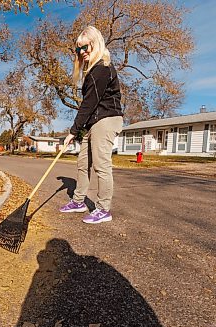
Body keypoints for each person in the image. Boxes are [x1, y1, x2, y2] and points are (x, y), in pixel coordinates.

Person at [60, 26, 123, 224]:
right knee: (82, 162)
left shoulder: (102, 68)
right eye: (78, 49)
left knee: (101, 165)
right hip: (94, 120)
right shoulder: (93, 70)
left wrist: (73, 131)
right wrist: (81, 128)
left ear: (95, 44)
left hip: (106, 119)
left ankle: (103, 209)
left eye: (85, 47)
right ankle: (78, 201)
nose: (82, 52)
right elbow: (89, 105)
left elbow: (90, 102)